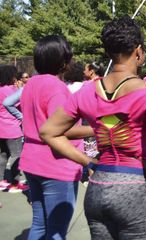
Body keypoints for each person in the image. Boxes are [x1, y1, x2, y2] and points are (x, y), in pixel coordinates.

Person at [40, 17, 146, 239]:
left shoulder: (86, 91)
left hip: (98, 187)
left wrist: (87, 161)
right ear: (139, 51)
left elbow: (48, 131)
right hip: (138, 186)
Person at [18, 35, 94, 240]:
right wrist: (97, 129)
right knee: (57, 230)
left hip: (32, 161)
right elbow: (61, 130)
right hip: (56, 165)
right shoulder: (56, 88)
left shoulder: (31, 84)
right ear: (63, 62)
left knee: (39, 225)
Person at [0, 65, 27, 193]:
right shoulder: (9, 90)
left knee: (4, 154)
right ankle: (15, 183)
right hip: (12, 128)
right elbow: (20, 103)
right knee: (17, 155)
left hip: (1, 128)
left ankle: (1, 181)